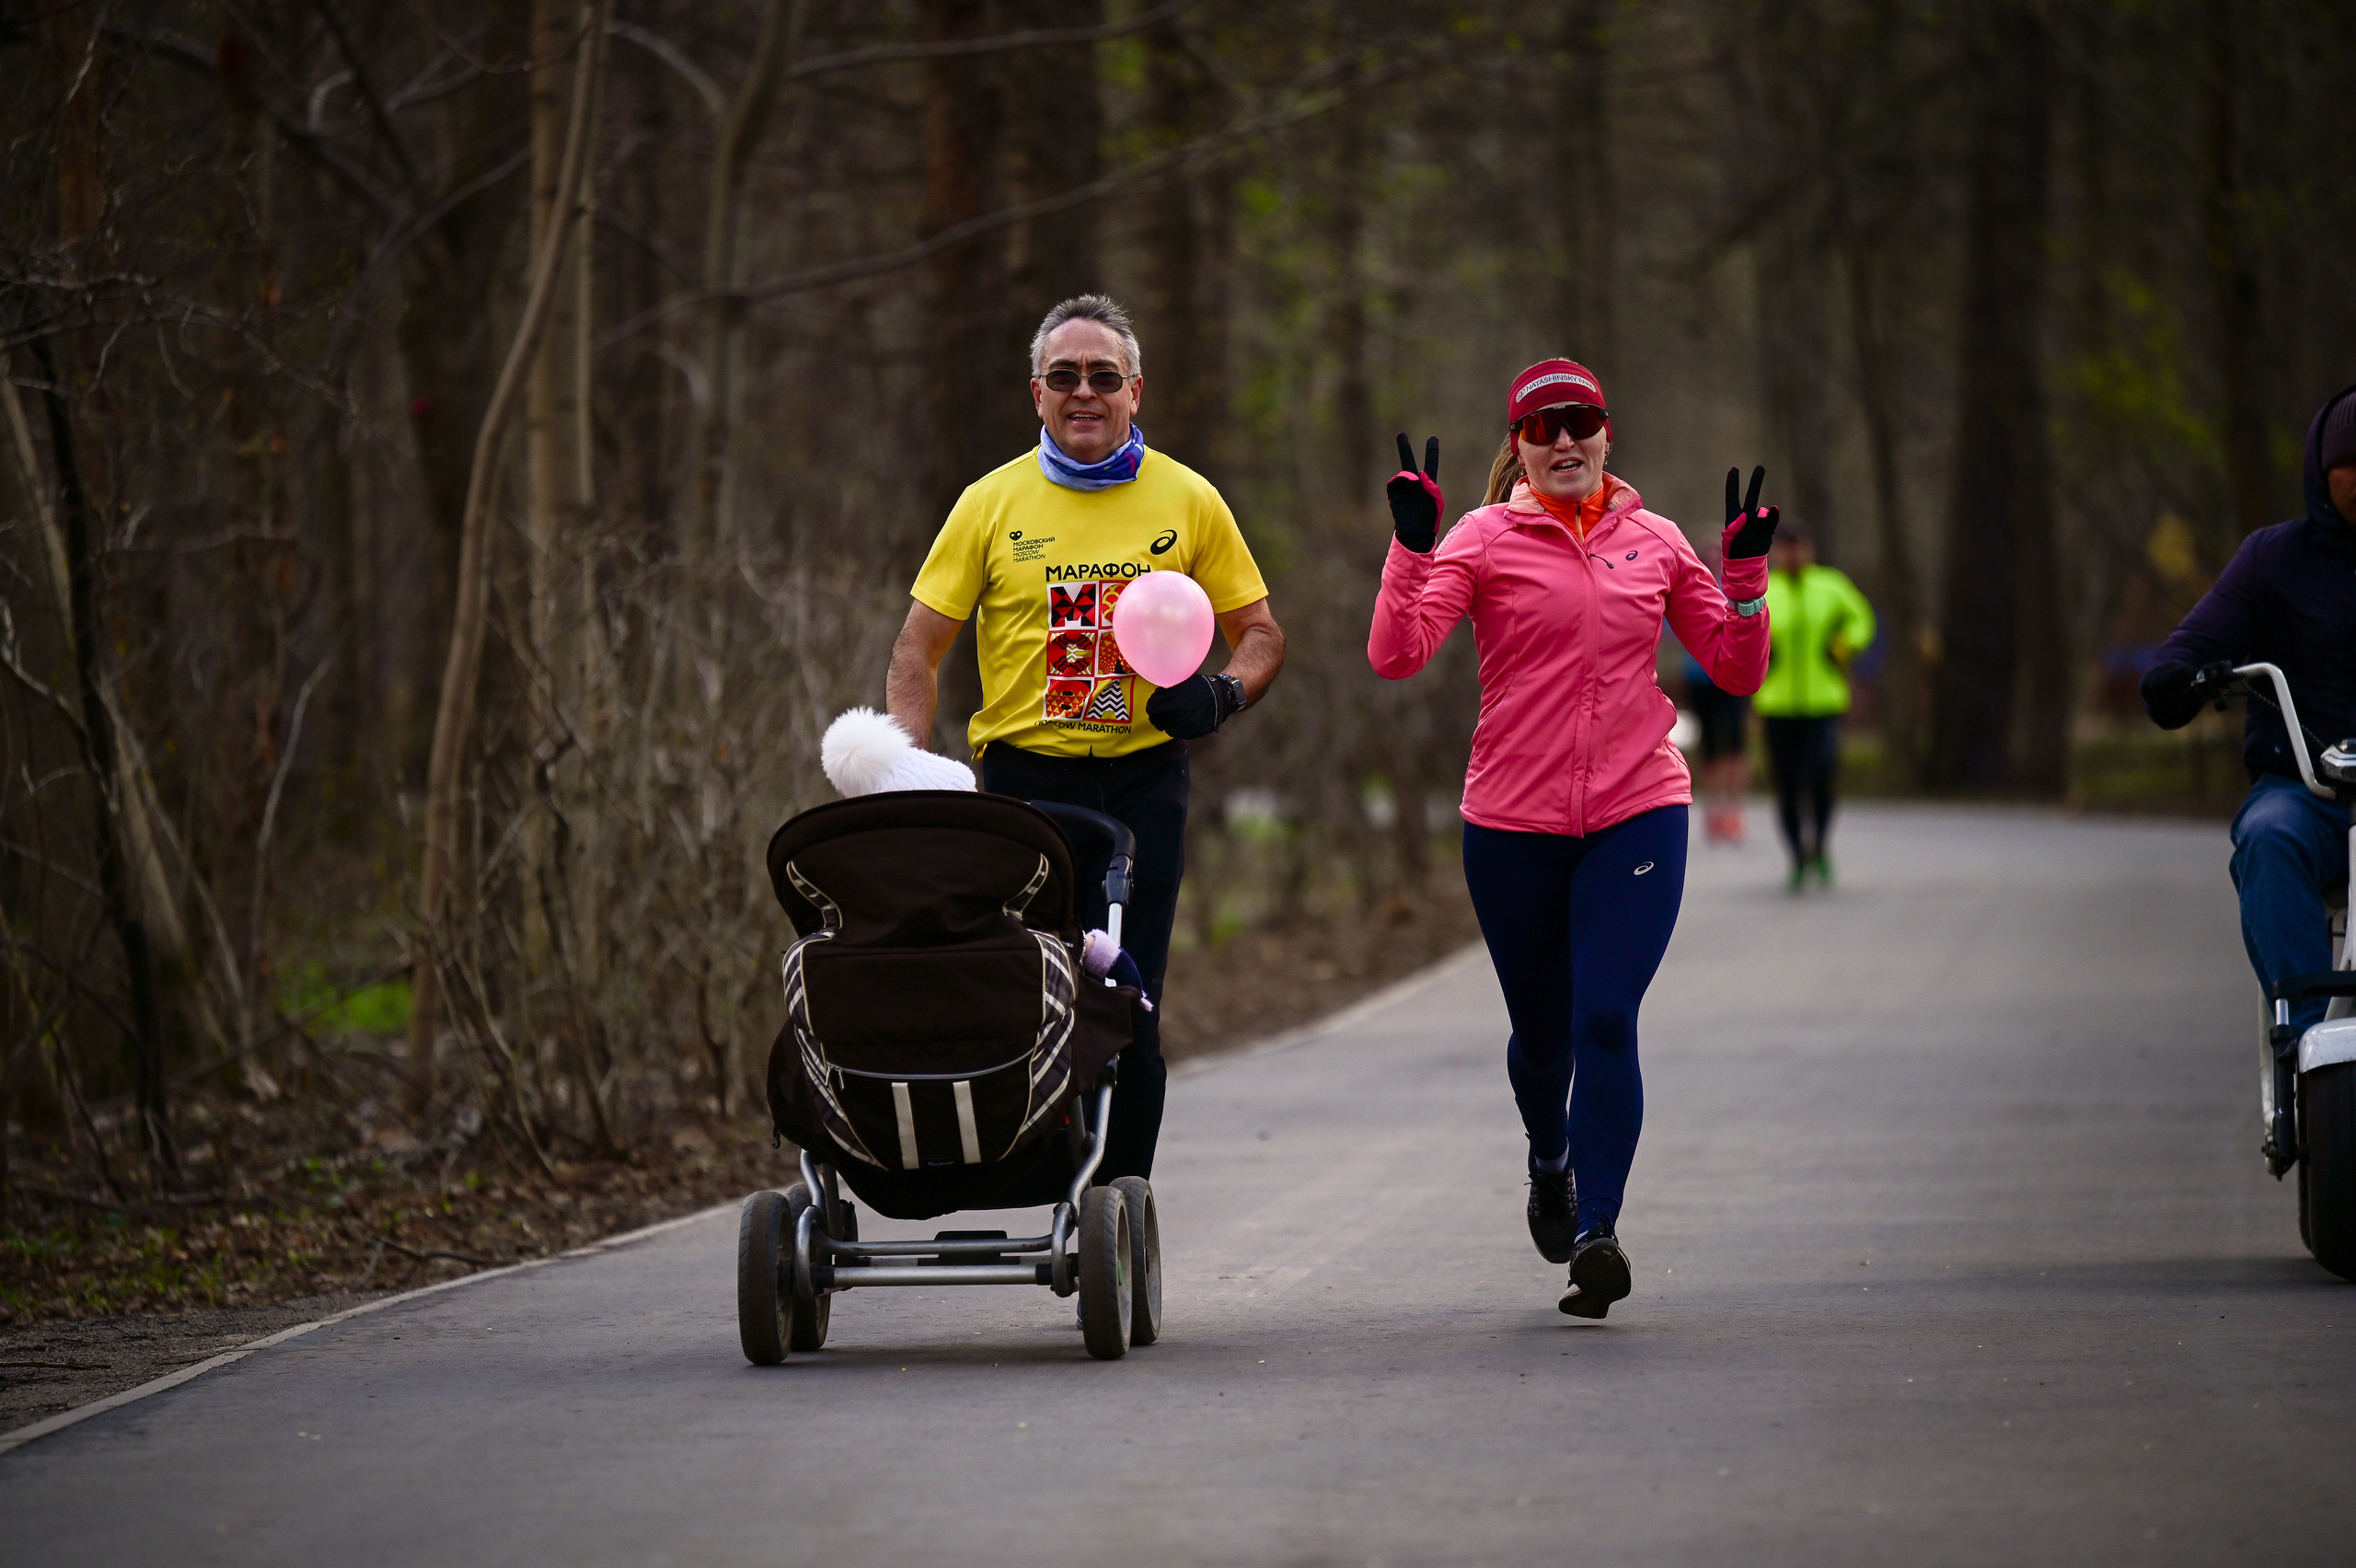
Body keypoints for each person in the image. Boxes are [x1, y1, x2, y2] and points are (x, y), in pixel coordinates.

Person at [1369, 358, 1775, 1318]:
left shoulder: (1657, 540)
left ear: (1606, 434)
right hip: (1511, 824)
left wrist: (1746, 581)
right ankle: (1548, 1158)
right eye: (1541, 427)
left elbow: (1735, 667)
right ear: (1514, 446)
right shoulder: (1481, 536)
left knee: (1605, 1020)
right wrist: (1410, 552)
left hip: (1637, 809)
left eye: (1579, 422)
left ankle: (1597, 1228)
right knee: (1543, 1039)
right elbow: (1397, 655)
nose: (1562, 441)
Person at [885, 294, 1286, 1184]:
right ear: (1036, 393)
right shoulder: (990, 504)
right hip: (1026, 788)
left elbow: (1261, 633)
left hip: (1146, 784)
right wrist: (905, 770)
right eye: (1063, 377)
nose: (1084, 393)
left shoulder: (1189, 499)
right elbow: (917, 649)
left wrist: (1221, 695)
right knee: (1027, 993)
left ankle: (1120, 1212)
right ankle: (1029, 1176)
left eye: (1104, 377)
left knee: (1131, 1002)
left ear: (1135, 391)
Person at [2142, 383, 2356, 1039]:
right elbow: (2183, 655)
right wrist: (2181, 679)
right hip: (2309, 794)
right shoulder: (2272, 559)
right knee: (2268, 837)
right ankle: (2314, 1044)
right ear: (2324, 472)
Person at [1751, 519, 1876, 892]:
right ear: (1777, 552)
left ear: (1809, 549)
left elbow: (1862, 620)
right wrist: (1759, 653)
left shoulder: (1831, 585)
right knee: (1787, 786)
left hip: (1824, 701)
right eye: (1785, 546)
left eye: (1798, 545)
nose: (1793, 553)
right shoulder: (1764, 587)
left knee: (1821, 777)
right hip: (1777, 704)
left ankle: (1820, 845)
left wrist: (1842, 647)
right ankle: (1796, 857)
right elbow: (1737, 624)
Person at [1676, 529, 1752, 846]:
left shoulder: (1737, 587)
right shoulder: (1687, 585)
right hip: (1698, 678)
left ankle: (1734, 812)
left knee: (1734, 745)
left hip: (1730, 677)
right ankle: (1713, 812)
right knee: (1708, 747)